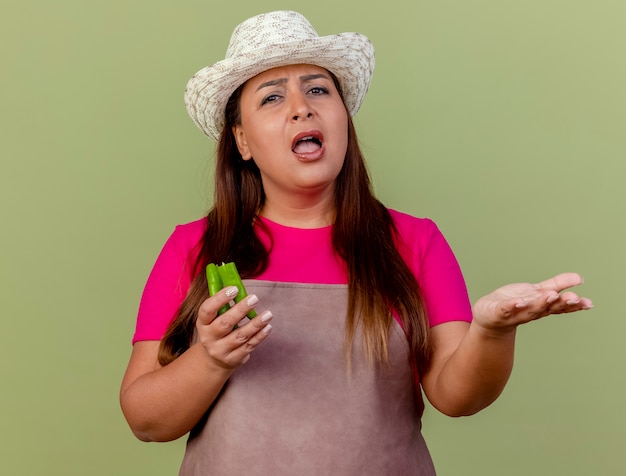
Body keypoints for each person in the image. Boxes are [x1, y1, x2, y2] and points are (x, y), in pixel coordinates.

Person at [119, 10, 593, 475]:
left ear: (343, 118)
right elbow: (145, 420)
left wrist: (491, 333)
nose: (301, 106)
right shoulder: (194, 247)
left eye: (318, 89)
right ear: (241, 141)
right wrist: (210, 358)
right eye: (271, 98)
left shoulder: (413, 240)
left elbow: (457, 397)